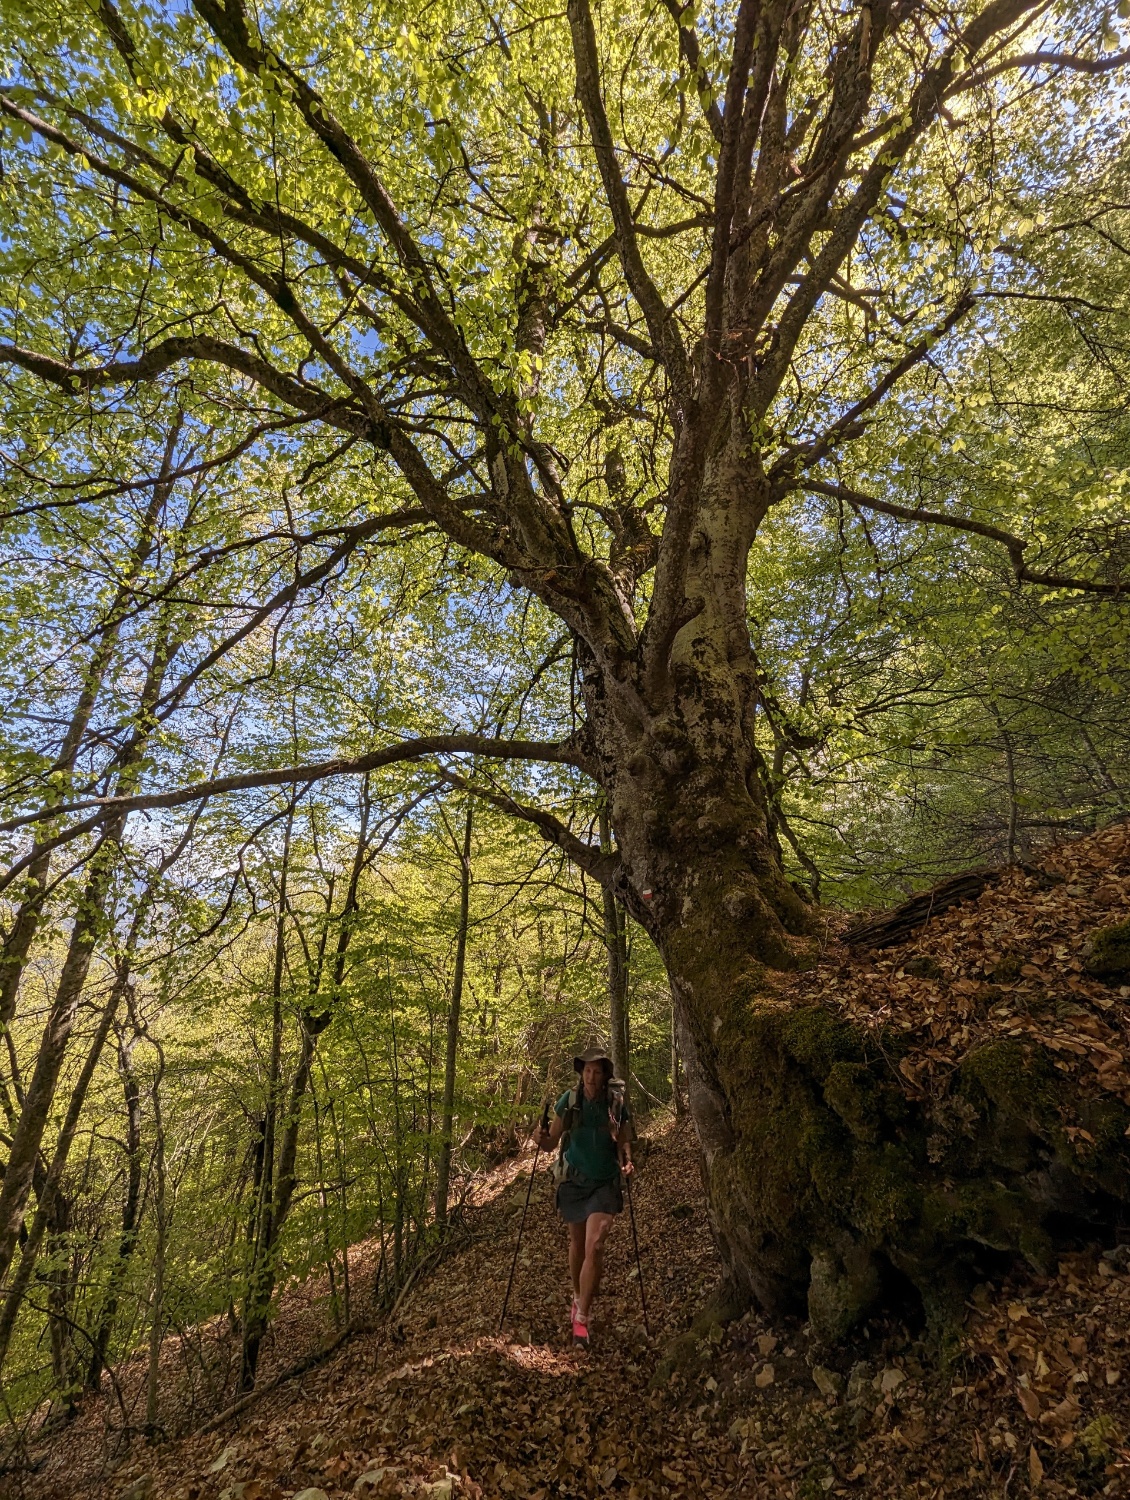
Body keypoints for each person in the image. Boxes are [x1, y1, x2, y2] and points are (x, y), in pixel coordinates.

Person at [537, 1046, 633, 1346]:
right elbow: (552, 1143)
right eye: (587, 1070)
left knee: (596, 1245)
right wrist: (540, 1140)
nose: (591, 1076)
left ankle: (582, 1320)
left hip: (605, 1182)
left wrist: (627, 1159)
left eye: (597, 1071)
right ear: (582, 1072)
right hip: (575, 1180)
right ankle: (577, 1297)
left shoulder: (615, 1103)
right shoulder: (571, 1101)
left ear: (605, 1074)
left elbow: (626, 1140)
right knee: (577, 1244)